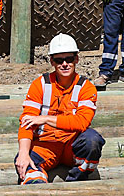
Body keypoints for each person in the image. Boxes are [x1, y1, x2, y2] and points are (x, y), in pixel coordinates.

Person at [16, 34, 105, 184]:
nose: (65, 64)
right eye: (59, 60)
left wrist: (44, 119)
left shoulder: (86, 88)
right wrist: (23, 154)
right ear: (52, 62)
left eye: (69, 59)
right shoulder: (40, 85)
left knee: (93, 141)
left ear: (76, 59)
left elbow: (81, 122)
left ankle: (77, 181)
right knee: (26, 165)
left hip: (72, 146)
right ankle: (40, 195)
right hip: (45, 146)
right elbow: (26, 122)